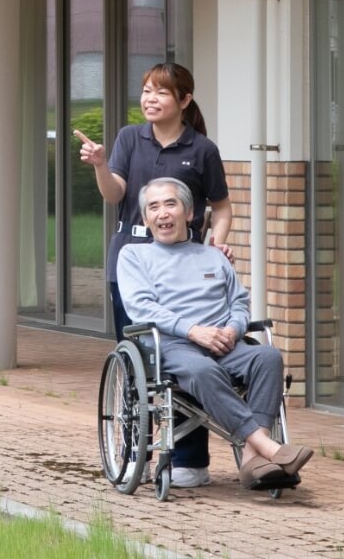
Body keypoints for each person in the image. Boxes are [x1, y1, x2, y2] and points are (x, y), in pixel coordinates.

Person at [73, 62, 234, 487]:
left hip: (185, 267)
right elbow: (115, 195)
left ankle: (190, 460)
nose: (149, 99)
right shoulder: (130, 138)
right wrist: (101, 164)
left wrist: (215, 243)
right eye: (146, 90)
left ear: (184, 101)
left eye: (161, 92)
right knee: (140, 366)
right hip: (132, 261)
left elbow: (221, 207)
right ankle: (133, 456)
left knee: (186, 358)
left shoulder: (202, 149)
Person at [118, 177, 310, 488]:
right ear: (145, 218)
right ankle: (268, 447)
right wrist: (193, 331)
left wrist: (233, 331)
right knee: (202, 369)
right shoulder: (134, 256)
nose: (163, 213)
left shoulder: (214, 255)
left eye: (171, 204)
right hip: (174, 346)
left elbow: (239, 302)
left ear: (189, 211)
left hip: (225, 343)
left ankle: (251, 457)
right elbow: (142, 308)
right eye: (153, 207)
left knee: (268, 357)